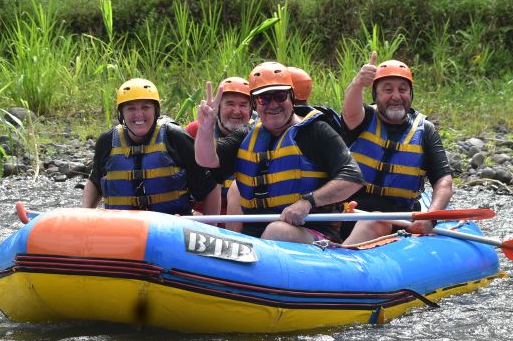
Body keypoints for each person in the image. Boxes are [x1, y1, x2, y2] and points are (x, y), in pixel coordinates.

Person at [195, 62, 363, 244]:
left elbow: (353, 177)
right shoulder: (247, 135)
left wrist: (308, 202)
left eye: (280, 96)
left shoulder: (316, 131)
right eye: (264, 99)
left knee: (277, 230)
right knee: (237, 189)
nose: (273, 104)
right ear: (254, 105)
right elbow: (207, 160)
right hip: (257, 238)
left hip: (312, 233)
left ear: (291, 97)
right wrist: (206, 128)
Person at [340, 53, 453, 244]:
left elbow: (443, 182)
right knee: (371, 220)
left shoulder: (425, 130)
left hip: (400, 222)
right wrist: (358, 83)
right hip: (348, 214)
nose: (396, 96)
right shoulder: (363, 118)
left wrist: (430, 218)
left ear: (411, 94)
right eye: (387, 90)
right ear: (376, 95)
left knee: (374, 221)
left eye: (403, 89)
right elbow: (349, 111)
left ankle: (344, 259)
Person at [81, 78, 221, 215]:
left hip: (171, 228)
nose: (139, 115)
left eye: (145, 107)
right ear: (121, 113)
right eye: (131, 108)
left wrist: (210, 228)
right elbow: (95, 182)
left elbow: (210, 187)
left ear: (156, 110)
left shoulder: (174, 137)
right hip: (122, 228)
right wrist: (84, 216)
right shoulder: (107, 141)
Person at [184, 76, 255, 218]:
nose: (236, 111)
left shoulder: (258, 134)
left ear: (251, 109)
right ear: (219, 106)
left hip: (245, 219)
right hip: (203, 218)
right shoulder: (195, 130)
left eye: (243, 105)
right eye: (229, 104)